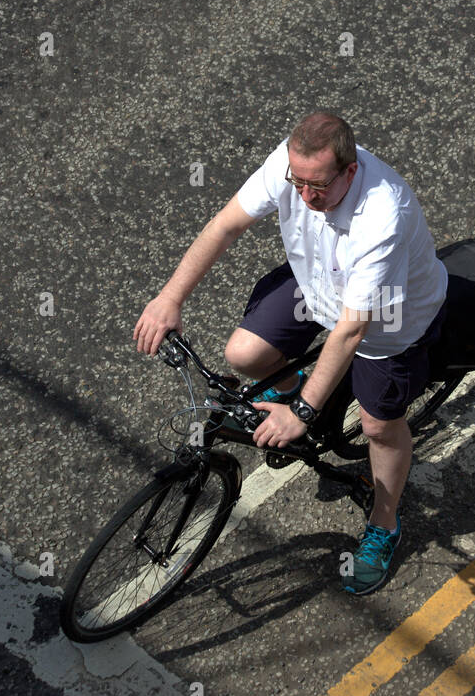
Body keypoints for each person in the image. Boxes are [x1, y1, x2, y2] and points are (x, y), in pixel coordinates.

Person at [133, 111, 448, 594]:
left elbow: (352, 330)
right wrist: (170, 297)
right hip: (317, 284)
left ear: (351, 170)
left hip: (387, 323)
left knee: (378, 426)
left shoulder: (384, 215)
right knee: (243, 355)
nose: (305, 197)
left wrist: (301, 412)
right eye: (296, 183)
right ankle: (298, 395)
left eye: (317, 187)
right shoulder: (294, 164)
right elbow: (225, 227)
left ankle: (384, 523)